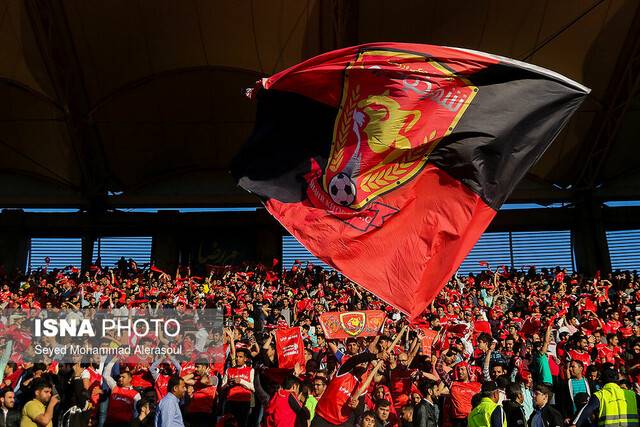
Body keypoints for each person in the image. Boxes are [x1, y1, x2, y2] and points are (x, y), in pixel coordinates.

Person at [572, 367, 638, 427]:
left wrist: (575, 424)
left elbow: (586, 411)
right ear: (617, 380)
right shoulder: (632, 394)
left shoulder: (599, 395)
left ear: (602, 381)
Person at [103, 356, 142, 427]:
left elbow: (137, 412)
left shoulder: (136, 394)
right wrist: (113, 360)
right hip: (110, 423)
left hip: (125, 424)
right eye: (120, 377)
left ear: (130, 379)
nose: (120, 379)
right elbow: (106, 374)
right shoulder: (115, 387)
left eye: (123, 377)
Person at [221, 347, 255, 427]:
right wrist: (229, 384)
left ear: (245, 359)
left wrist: (241, 381)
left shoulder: (250, 370)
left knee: (242, 424)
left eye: (240, 357)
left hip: (244, 401)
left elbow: (252, 387)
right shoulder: (229, 370)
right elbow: (222, 387)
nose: (237, 359)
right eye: (236, 356)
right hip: (231, 401)